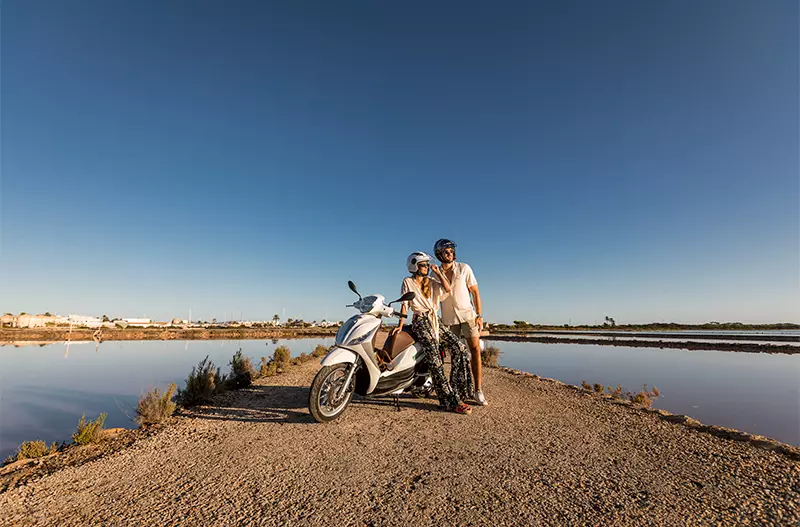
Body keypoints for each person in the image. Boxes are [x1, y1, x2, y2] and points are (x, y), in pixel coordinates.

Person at [391, 251, 473, 415]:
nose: (427, 267)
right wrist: (400, 325)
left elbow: (448, 288)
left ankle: (457, 390)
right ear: (414, 266)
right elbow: (405, 305)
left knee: (460, 348)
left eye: (427, 265)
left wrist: (437, 272)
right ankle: (449, 401)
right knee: (435, 359)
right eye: (423, 265)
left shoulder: (432, 281)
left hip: (435, 320)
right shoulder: (407, 282)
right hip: (421, 321)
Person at [434, 238, 487, 406]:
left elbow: (475, 293)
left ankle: (478, 391)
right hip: (450, 320)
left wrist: (479, 315)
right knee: (455, 354)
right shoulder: (435, 274)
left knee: (475, 350)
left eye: (451, 251)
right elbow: (433, 297)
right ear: (439, 254)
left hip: (468, 316)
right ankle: (456, 390)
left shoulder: (464, 268)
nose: (450, 254)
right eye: (446, 252)